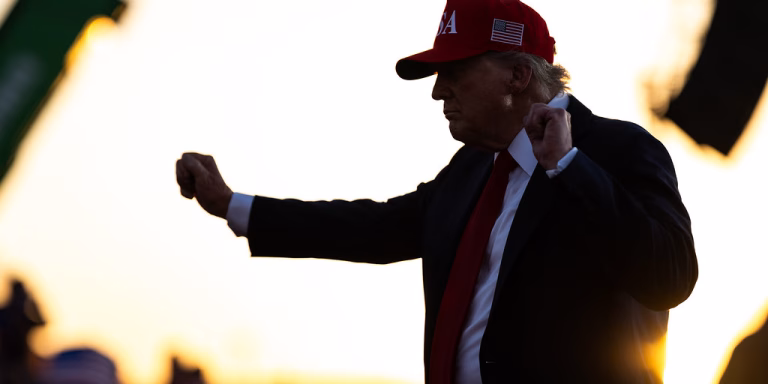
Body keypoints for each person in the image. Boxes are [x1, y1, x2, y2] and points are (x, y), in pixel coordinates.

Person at [175, 0, 698, 382]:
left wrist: (569, 167)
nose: (437, 90)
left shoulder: (616, 149)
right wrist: (230, 205)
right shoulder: (472, 169)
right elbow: (375, 227)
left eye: (455, 71)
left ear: (518, 76)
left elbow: (669, 275)